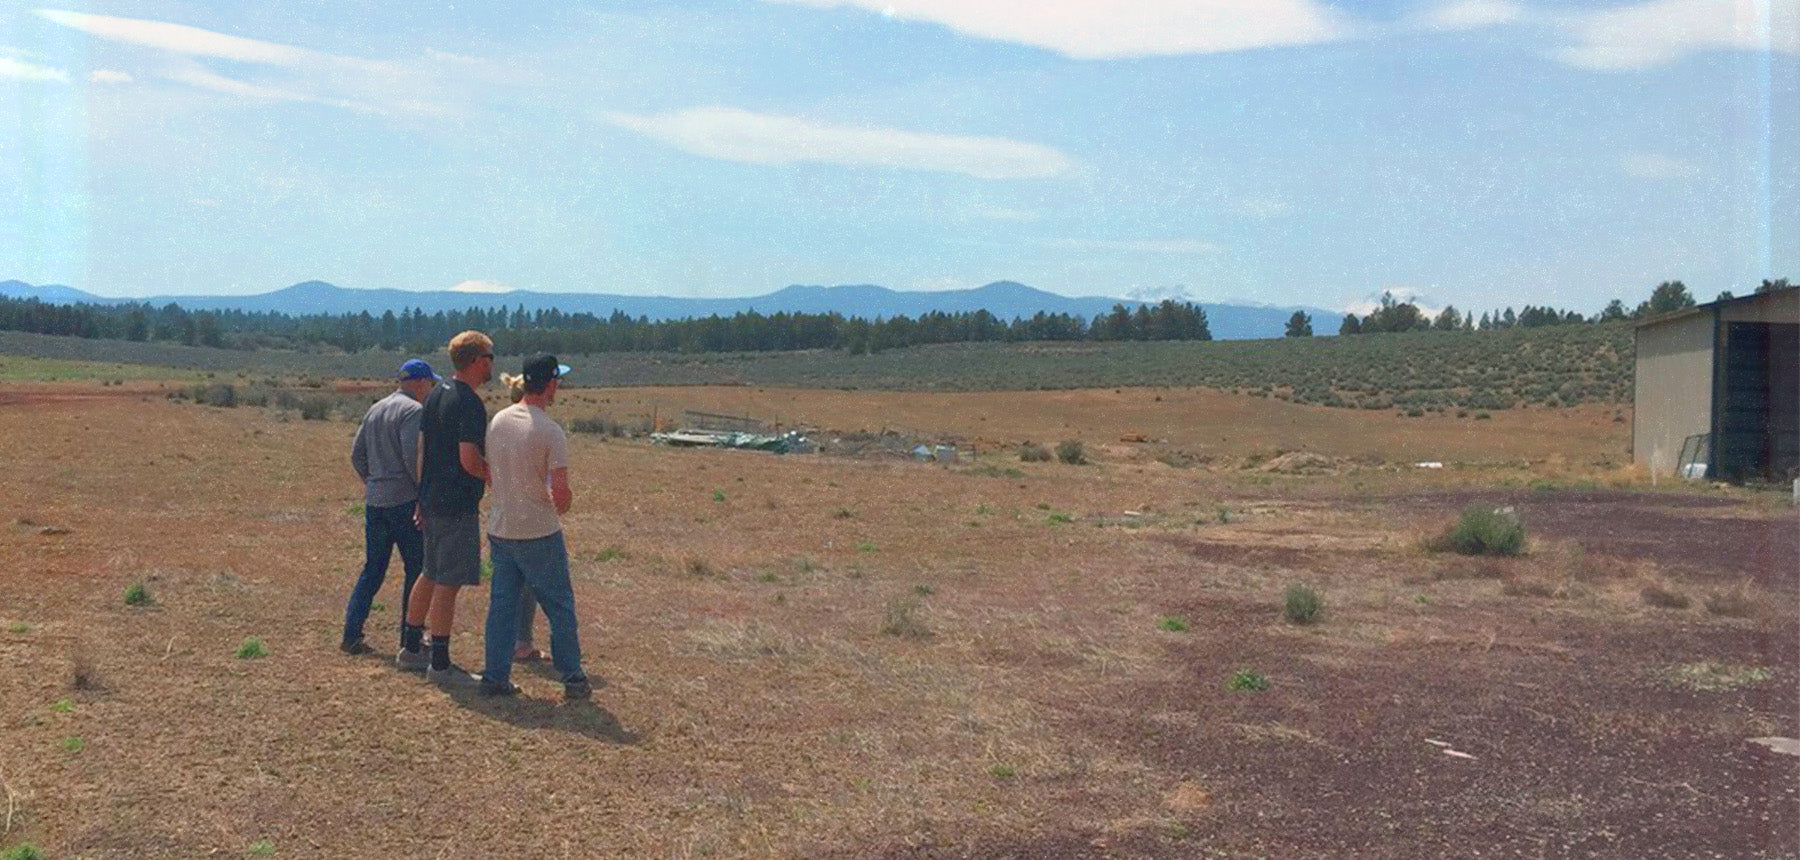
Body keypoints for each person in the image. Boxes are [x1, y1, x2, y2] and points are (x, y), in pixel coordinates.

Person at [479, 354, 593, 699]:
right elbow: (560, 494)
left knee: (502, 606)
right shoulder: (550, 431)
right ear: (552, 384)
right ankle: (572, 676)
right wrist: (565, 501)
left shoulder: (498, 420)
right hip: (539, 531)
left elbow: (491, 471)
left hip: (502, 527)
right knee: (559, 605)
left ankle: (495, 676)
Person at [398, 331, 494, 686]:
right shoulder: (469, 403)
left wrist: (422, 495)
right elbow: (468, 458)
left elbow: (423, 451)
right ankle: (439, 663)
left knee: (430, 572)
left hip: (432, 500)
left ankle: (411, 646)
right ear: (476, 360)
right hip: (456, 504)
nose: (492, 365)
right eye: (490, 357)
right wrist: (491, 475)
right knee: (448, 583)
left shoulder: (436, 394)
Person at [341, 358, 438, 655]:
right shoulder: (414, 411)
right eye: (430, 384)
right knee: (417, 569)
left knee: (372, 570)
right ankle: (409, 639)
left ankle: (351, 633)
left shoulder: (376, 408)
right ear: (420, 382)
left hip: (376, 502)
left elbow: (357, 454)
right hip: (405, 503)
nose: (430, 390)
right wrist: (423, 495)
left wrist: (374, 482)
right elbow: (414, 459)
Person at [497, 372, 548, 665]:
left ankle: (511, 643)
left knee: (511, 587)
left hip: (505, 518)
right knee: (531, 586)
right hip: (530, 520)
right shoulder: (534, 430)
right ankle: (521, 643)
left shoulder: (499, 427)